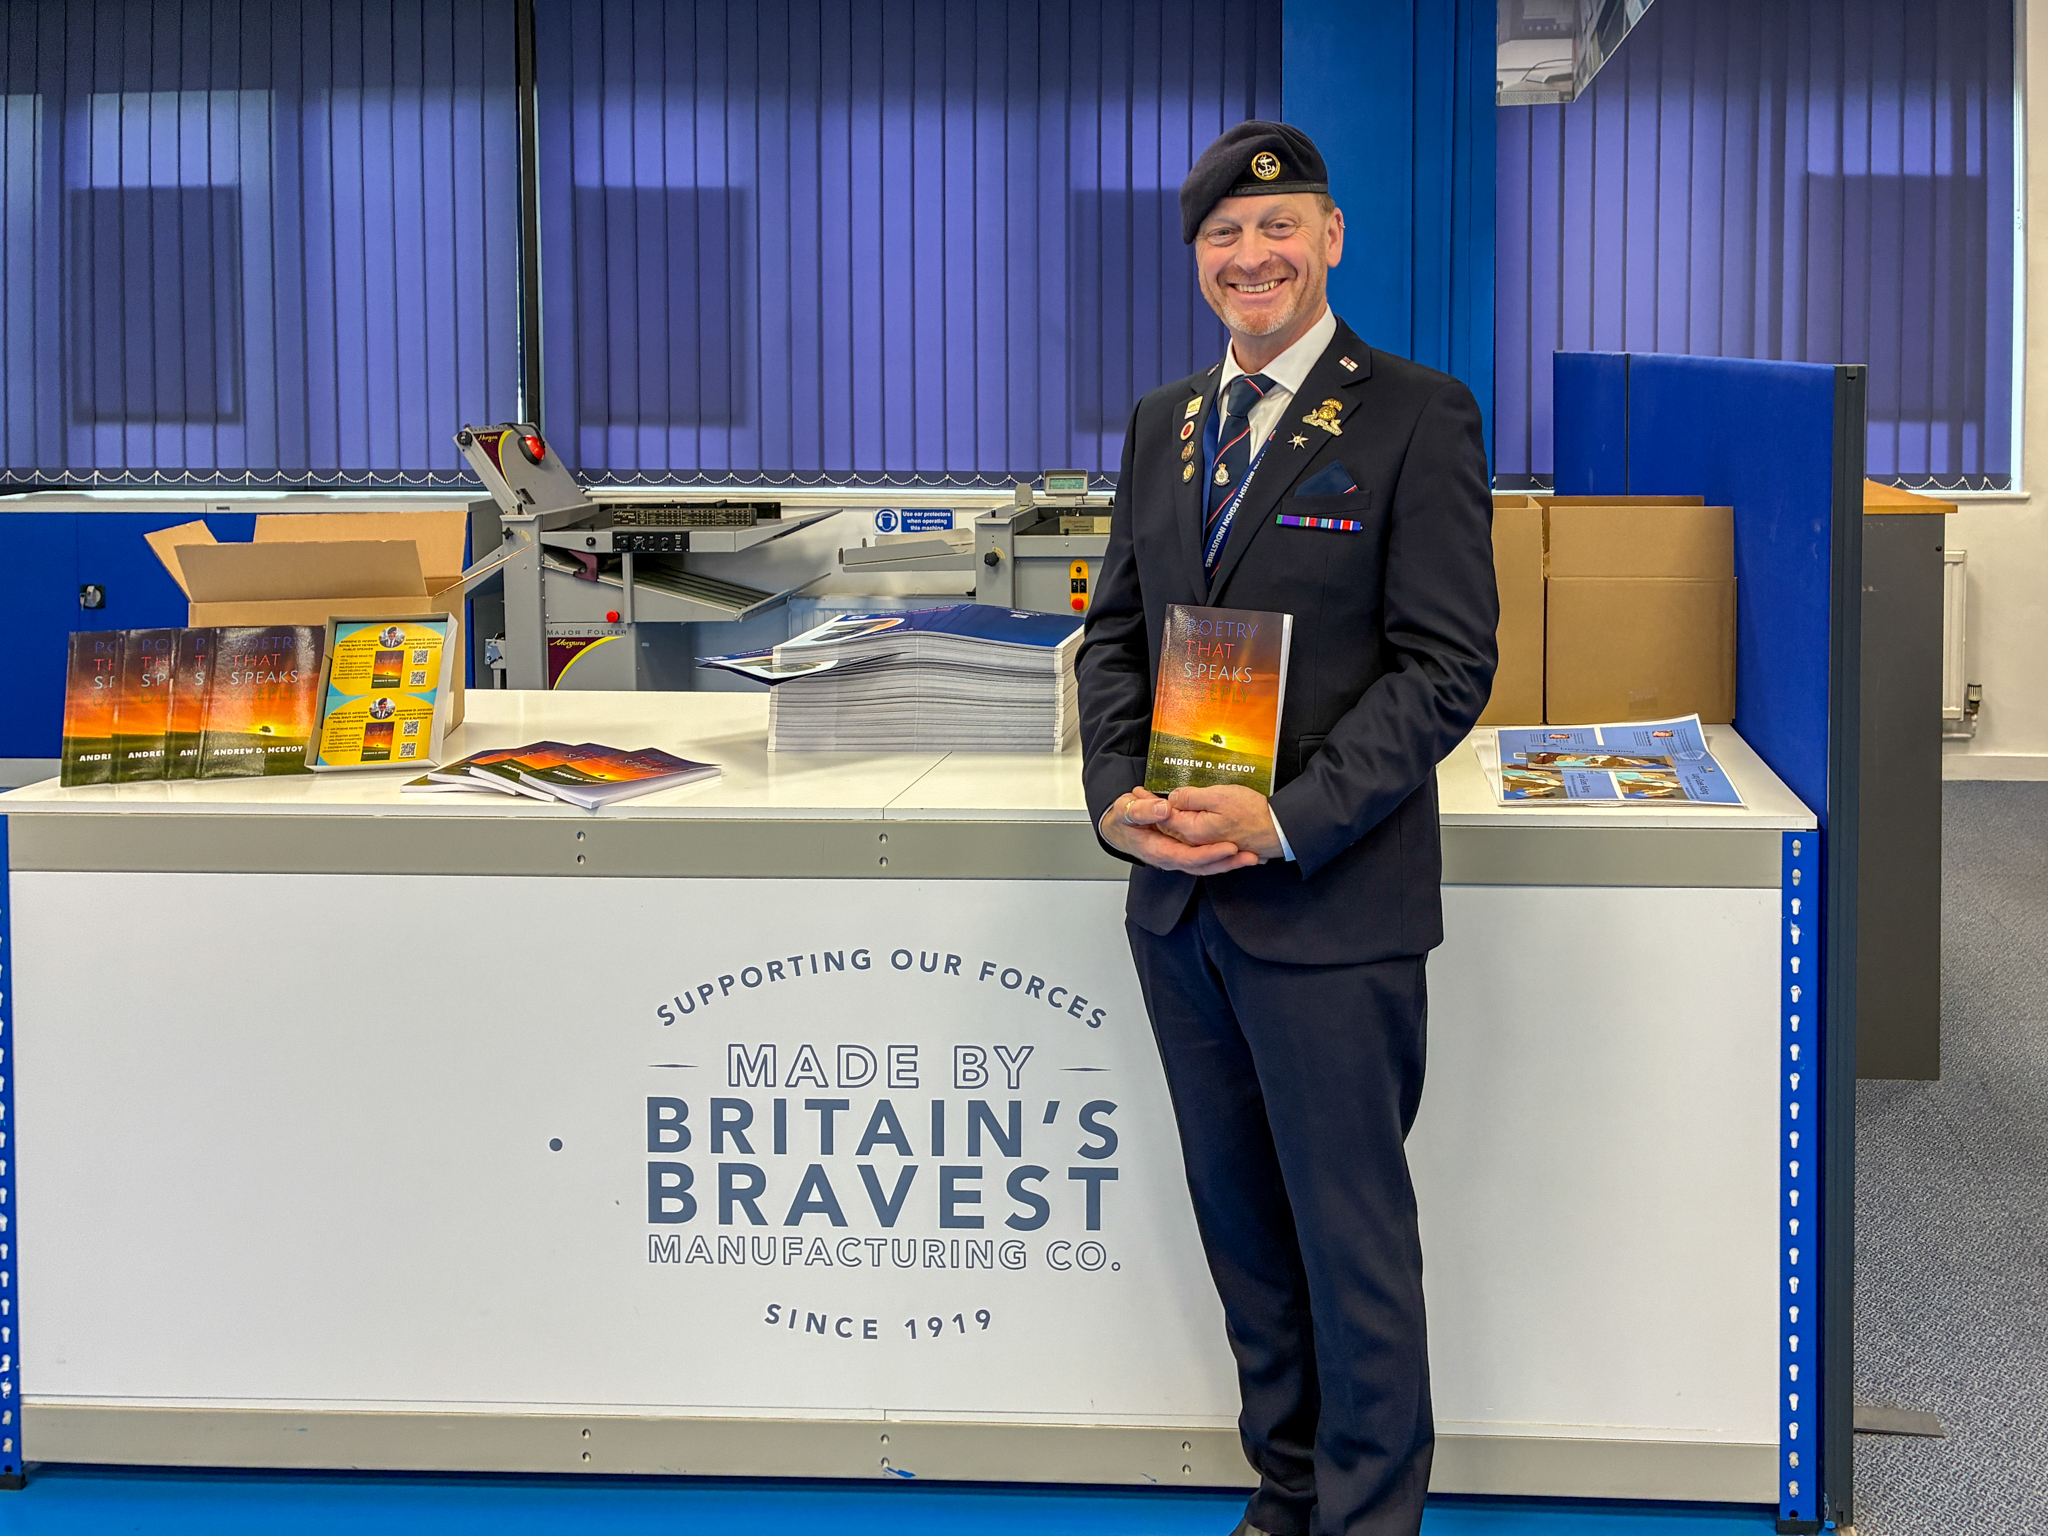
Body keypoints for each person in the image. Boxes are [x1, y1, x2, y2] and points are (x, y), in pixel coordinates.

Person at [1075, 121, 1498, 1536]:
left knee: (1348, 1238)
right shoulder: (1165, 422)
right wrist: (1118, 797)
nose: (1250, 255)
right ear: (1197, 260)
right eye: (1222, 236)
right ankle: (1291, 1484)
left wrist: (1285, 818)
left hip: (1329, 900)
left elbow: (1446, 668)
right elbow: (1117, 639)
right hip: (1179, 904)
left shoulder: (1416, 415)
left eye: (1277, 228)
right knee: (1246, 1233)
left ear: (1329, 240)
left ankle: (1369, 1517)